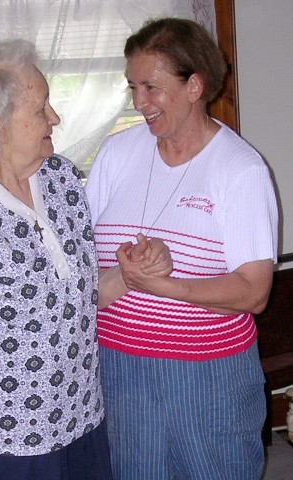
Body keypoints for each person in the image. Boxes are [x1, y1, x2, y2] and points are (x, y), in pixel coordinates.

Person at [0, 39, 170, 480]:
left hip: (83, 416)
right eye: (40, 109)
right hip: (8, 440)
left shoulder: (63, 180)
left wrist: (131, 274)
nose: (55, 118)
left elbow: (85, 296)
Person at [86, 18, 278, 480]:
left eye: (151, 87)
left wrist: (166, 285)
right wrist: (127, 269)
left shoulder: (240, 169)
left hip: (207, 376)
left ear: (195, 86)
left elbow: (254, 292)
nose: (139, 102)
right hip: (122, 368)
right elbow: (79, 261)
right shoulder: (116, 154)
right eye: (132, 86)